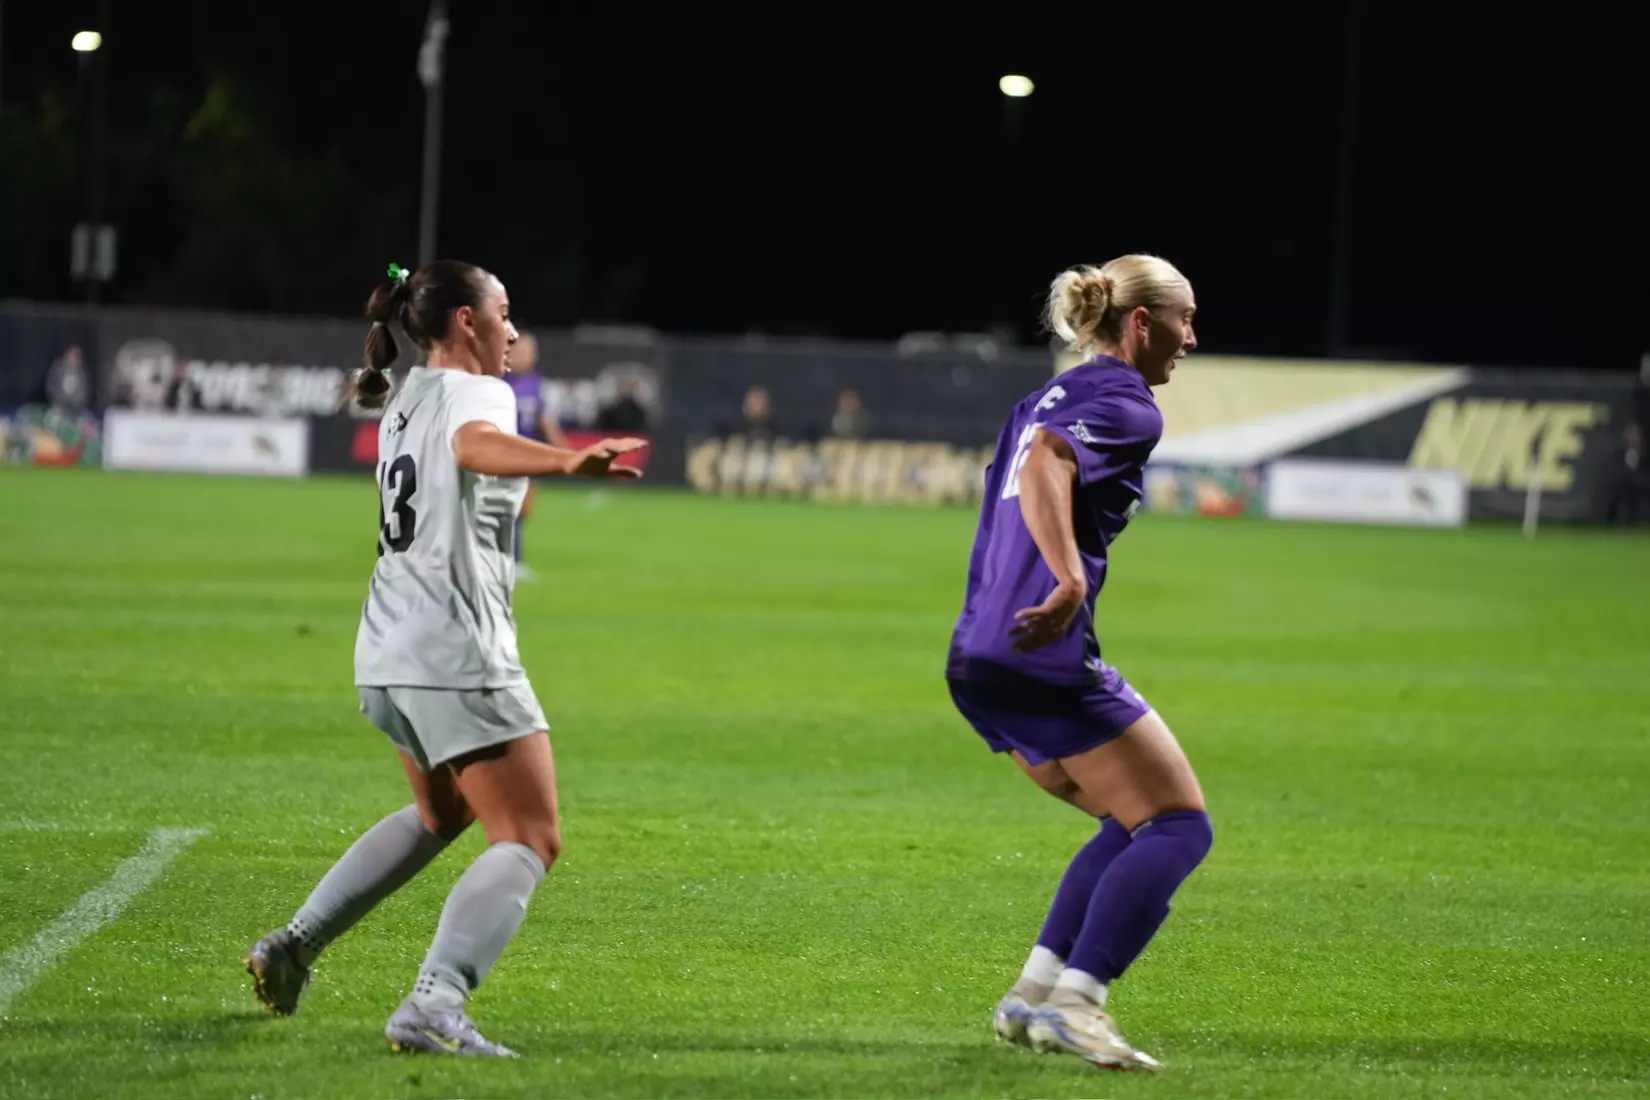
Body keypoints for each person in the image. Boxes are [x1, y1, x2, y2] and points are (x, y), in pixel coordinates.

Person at [243, 260, 646, 1058]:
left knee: (442, 814)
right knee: (531, 835)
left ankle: (294, 945)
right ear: (466, 321)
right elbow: (476, 444)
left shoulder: (406, 393)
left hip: (385, 645)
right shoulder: (477, 393)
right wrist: (564, 460)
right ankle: (436, 1001)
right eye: (505, 313)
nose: (514, 333)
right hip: (452, 645)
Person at [945, 254, 1212, 1073]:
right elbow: (1045, 466)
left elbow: (1022, 468)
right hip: (1043, 655)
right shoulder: (1129, 404)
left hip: (980, 655)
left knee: (1127, 819)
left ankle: (1031, 996)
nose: (1191, 339)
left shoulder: (1040, 398)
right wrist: (1066, 577)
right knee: (1177, 824)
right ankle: (1079, 1003)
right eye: (1184, 320)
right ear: (1140, 324)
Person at [503, 332, 569, 581]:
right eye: (520, 350)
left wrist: (563, 450)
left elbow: (545, 420)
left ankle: (513, 560)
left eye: (529, 351)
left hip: (527, 455)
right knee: (507, 509)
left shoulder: (537, 383)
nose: (525, 356)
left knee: (522, 511)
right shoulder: (499, 381)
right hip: (504, 454)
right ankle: (511, 562)